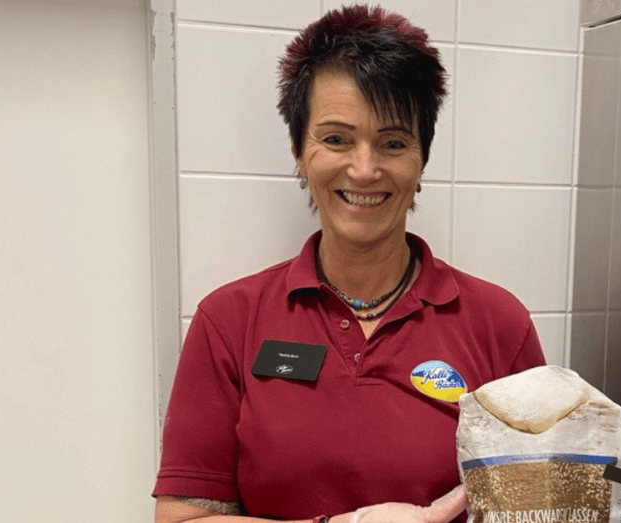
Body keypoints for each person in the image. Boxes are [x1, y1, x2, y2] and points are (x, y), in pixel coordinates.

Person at [152, 5, 547, 522]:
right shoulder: (229, 321)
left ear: (421, 158)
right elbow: (185, 519)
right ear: (298, 149)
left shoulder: (497, 324)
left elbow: (539, 502)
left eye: (393, 142)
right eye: (336, 139)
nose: (364, 169)